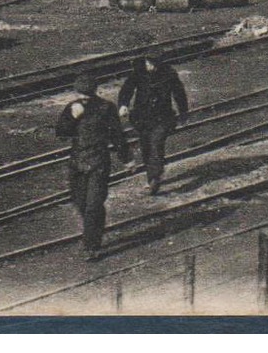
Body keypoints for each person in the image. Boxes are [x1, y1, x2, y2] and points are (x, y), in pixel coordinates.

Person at [55, 73, 133, 259]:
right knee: (81, 203)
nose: (84, 99)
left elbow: (117, 135)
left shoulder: (106, 108)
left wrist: (127, 159)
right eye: (82, 95)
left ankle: (92, 246)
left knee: (93, 206)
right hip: (77, 163)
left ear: (93, 92)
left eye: (87, 95)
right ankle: (96, 228)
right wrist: (72, 118)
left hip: (98, 163)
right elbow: (61, 133)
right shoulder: (72, 108)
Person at [117, 57, 190, 195]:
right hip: (142, 118)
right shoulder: (138, 73)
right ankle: (152, 175)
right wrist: (123, 105)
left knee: (156, 144)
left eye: (154, 64)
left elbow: (179, 93)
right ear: (145, 62)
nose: (151, 67)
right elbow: (127, 90)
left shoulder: (169, 74)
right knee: (145, 146)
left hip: (163, 118)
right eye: (149, 63)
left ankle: (154, 178)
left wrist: (183, 113)